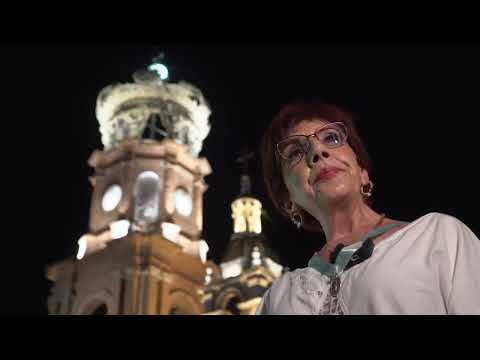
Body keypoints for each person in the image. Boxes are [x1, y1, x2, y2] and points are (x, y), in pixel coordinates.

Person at [256, 100, 480, 315]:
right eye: (296, 152)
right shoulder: (278, 298)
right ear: (287, 199)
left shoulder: (438, 238)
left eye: (332, 138)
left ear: (362, 172)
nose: (318, 152)